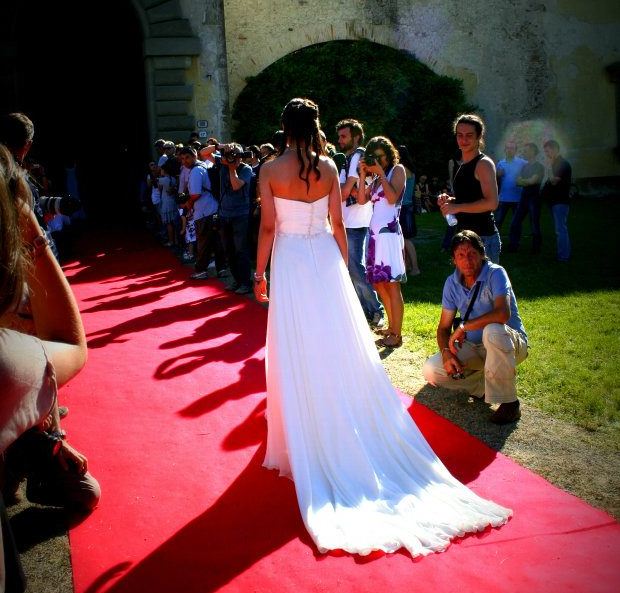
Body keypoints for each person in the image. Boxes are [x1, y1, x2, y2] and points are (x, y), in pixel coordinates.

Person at [253, 97, 511, 559]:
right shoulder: (331, 166)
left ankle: (304, 426)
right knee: (337, 339)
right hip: (324, 259)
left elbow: (269, 227)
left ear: (283, 128)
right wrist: (341, 263)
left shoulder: (271, 169)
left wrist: (259, 273)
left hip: (290, 260)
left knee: (295, 341)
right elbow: (337, 222)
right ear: (314, 126)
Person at [0, 145, 95, 590]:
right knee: (83, 491)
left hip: (25, 401)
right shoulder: (9, 357)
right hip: (21, 391)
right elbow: (67, 345)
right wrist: (30, 226)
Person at [422, 230, 528, 424]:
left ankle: (510, 404)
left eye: (472, 254)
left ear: (482, 253)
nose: (467, 261)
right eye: (461, 255)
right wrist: (446, 353)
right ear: (454, 259)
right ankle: (485, 387)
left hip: (510, 344)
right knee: (431, 370)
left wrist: (464, 327)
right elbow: (444, 328)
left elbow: (502, 314)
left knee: (493, 331)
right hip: (475, 347)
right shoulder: (451, 283)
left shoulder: (496, 273)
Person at [357, 137, 407, 348]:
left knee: (392, 284)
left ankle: (397, 334)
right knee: (379, 282)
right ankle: (391, 327)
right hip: (375, 236)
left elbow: (392, 198)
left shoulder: (397, 170)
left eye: (380, 156)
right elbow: (361, 200)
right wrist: (362, 176)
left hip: (388, 236)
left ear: (389, 154)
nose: (377, 160)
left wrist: (380, 173)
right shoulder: (376, 178)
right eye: (373, 157)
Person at [336, 118, 383, 327]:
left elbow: (345, 192)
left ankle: (375, 310)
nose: (340, 140)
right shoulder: (348, 158)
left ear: (356, 137)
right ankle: (364, 311)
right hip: (348, 221)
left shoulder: (357, 157)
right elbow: (348, 190)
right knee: (351, 269)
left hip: (356, 222)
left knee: (356, 269)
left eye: (344, 136)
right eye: (339, 136)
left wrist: (345, 189)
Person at [438, 114, 501, 263]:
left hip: (483, 238)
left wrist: (457, 207)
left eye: (469, 135)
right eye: (460, 135)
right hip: (465, 237)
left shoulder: (483, 164)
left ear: (479, 136)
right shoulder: (463, 164)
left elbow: (492, 203)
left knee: (485, 286)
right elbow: (470, 197)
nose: (464, 140)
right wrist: (450, 202)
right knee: (466, 286)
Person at [508, 142, 544, 253]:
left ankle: (536, 248)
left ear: (533, 151)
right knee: (515, 222)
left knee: (534, 224)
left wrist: (525, 181)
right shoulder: (525, 166)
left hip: (534, 198)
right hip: (524, 198)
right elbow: (517, 181)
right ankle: (513, 246)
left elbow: (533, 181)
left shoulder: (539, 166)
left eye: (526, 150)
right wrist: (526, 182)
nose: (524, 152)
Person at [541, 139, 572, 262]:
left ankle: (564, 256)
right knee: (559, 228)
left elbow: (554, 181)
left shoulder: (562, 164)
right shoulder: (556, 163)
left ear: (555, 149)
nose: (547, 154)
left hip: (560, 201)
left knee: (560, 229)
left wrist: (548, 168)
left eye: (548, 151)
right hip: (555, 201)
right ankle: (563, 254)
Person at [398, 145, 420, 276]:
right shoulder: (410, 169)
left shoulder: (403, 169)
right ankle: (408, 266)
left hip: (404, 207)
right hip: (408, 206)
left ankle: (415, 268)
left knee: (406, 239)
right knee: (405, 239)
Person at [494, 140, 527, 232]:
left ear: (516, 150)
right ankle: (495, 243)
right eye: (507, 148)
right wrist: (497, 174)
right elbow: (494, 178)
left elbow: (533, 167)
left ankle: (514, 244)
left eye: (512, 148)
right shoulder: (500, 163)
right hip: (503, 198)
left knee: (517, 223)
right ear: (505, 150)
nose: (509, 150)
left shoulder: (522, 163)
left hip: (518, 199)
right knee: (498, 222)